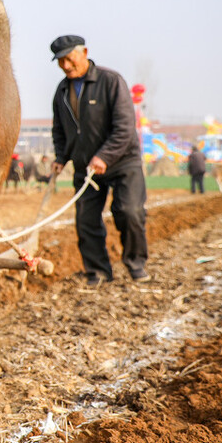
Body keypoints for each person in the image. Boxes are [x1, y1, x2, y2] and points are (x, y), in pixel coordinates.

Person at [49, 35, 149, 286]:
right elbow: (59, 129)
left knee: (129, 212)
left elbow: (125, 128)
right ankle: (98, 272)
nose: (66, 66)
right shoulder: (62, 91)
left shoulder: (110, 81)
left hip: (123, 162)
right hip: (85, 167)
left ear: (84, 52)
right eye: (60, 62)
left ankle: (136, 265)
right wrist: (61, 157)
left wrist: (104, 156)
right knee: (85, 220)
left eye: (69, 59)